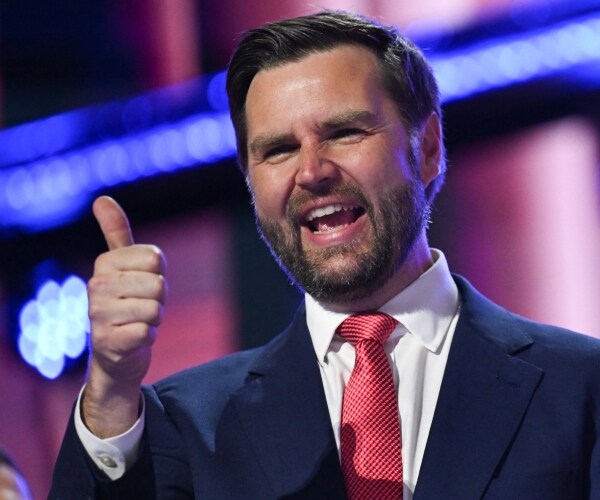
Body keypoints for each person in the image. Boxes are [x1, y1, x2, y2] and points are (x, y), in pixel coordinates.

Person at [50, 10, 600, 499]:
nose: (311, 172)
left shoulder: (582, 388)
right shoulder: (189, 426)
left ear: (427, 147)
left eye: (343, 132)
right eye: (279, 150)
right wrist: (109, 392)